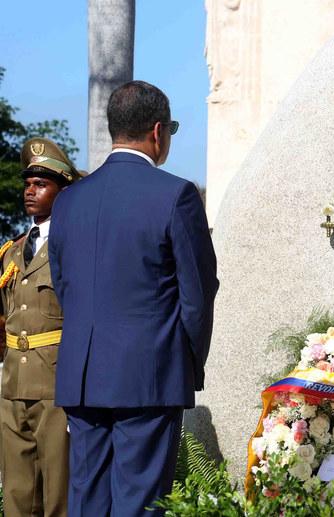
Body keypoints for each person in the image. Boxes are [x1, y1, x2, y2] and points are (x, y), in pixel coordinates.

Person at [48, 80, 219, 516]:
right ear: (158, 132)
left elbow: (64, 286)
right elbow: (197, 294)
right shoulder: (175, 195)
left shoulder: (68, 201)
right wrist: (186, 362)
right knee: (139, 504)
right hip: (149, 377)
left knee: (87, 502)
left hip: (84, 379)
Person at [0, 137, 80, 516]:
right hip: (13, 385)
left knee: (57, 495)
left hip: (54, 384)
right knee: (16, 492)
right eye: (28, 184)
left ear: (62, 191)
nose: (30, 191)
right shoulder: (11, 252)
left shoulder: (71, 247)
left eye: (42, 184)